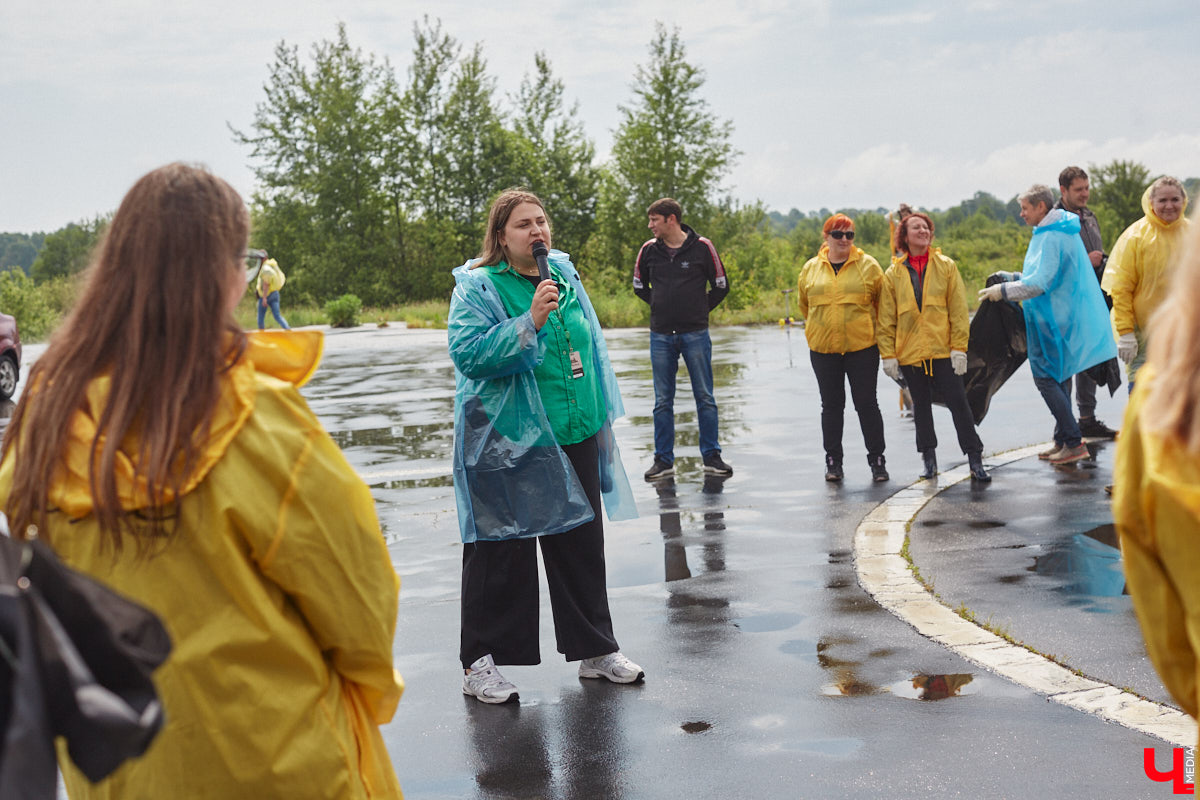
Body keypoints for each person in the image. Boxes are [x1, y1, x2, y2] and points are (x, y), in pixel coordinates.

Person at [0, 163, 403, 798]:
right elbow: (358, 599)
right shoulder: (256, 417)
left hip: (124, 763)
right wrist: (373, 692)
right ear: (221, 272)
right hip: (280, 760)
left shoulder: (44, 423)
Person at [448, 189, 642, 705]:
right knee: (500, 551)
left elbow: (587, 347)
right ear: (500, 236)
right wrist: (528, 322)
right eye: (523, 225)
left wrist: (599, 418)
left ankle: (596, 650)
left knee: (581, 545)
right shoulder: (478, 286)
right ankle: (479, 663)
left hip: (574, 429)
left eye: (541, 221)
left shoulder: (562, 273)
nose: (537, 231)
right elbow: (468, 354)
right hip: (509, 440)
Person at [1113, 210, 1200, 745]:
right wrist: (1124, 328)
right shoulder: (1135, 238)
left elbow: (1165, 630)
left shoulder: (1158, 406)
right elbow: (1120, 284)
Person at [978, 184, 1117, 466]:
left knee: (1045, 378)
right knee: (1060, 376)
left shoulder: (1052, 235)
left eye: (1025, 208)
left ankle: (1073, 442)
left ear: (1041, 207)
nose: (1021, 214)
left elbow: (1040, 283)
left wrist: (1002, 291)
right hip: (1060, 316)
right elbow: (1044, 274)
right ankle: (1063, 440)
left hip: (1053, 319)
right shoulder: (1056, 231)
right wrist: (1013, 277)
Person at [877, 212, 990, 482]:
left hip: (942, 351)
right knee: (921, 408)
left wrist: (959, 348)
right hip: (910, 353)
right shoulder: (893, 274)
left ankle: (974, 458)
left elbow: (958, 311)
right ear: (905, 236)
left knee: (958, 403)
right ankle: (929, 460)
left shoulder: (946, 266)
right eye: (916, 227)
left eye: (926, 227)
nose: (923, 231)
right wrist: (888, 355)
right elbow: (886, 318)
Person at [633, 198, 733, 480]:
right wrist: (659, 305)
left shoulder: (703, 247)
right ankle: (663, 461)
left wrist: (699, 309)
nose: (650, 225)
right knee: (663, 401)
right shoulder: (648, 250)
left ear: (671, 219)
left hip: (695, 334)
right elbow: (639, 285)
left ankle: (712, 457)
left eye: (654, 220)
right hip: (661, 336)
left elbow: (721, 285)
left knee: (705, 397)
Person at [796, 213, 888, 483]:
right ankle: (833, 462)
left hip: (862, 348)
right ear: (826, 237)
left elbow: (883, 307)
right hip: (824, 350)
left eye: (849, 235)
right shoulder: (811, 268)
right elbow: (805, 305)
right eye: (838, 234)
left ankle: (877, 461)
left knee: (867, 404)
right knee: (831, 407)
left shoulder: (869, 266)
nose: (844, 239)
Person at [1101, 176, 1190, 391]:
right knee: (1143, 390)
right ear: (1151, 202)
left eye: (1175, 199)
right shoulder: (1135, 237)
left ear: (1184, 201)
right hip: (1143, 333)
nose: (1169, 205)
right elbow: (1121, 288)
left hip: (1186, 331)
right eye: (1162, 200)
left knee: (1183, 392)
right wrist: (1126, 332)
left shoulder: (1193, 235)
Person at [1055, 166, 1118, 439]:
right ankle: (1065, 426)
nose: (1085, 194)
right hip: (1067, 302)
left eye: (1087, 188)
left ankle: (1087, 419)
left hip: (1092, 299)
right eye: (1078, 189)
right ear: (1063, 190)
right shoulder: (1055, 220)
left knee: (1090, 360)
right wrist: (1085, 260)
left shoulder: (1089, 216)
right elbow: (1052, 261)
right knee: (1067, 365)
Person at [256, 253, 291, 330]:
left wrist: (264, 298)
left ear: (263, 259)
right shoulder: (272, 265)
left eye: (258, 259)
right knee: (277, 316)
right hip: (275, 293)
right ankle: (288, 331)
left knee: (260, 318)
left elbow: (266, 284)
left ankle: (261, 335)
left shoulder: (265, 269)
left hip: (266, 295)